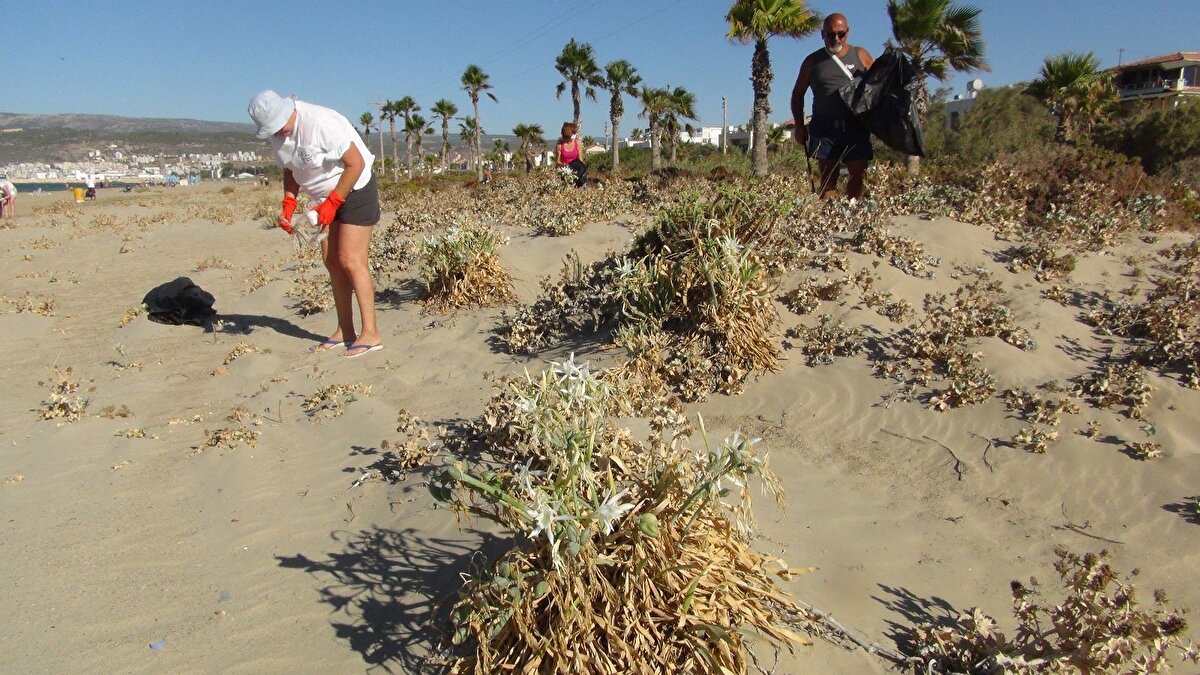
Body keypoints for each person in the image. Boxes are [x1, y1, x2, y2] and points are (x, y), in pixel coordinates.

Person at [248, 89, 383, 358]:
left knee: (350, 259)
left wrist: (333, 203)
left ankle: (371, 333)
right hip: (323, 197)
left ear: (289, 111)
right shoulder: (279, 135)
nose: (279, 134)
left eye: (280, 127)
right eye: (272, 131)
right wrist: (289, 202)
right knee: (332, 261)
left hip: (355, 188)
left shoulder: (320, 123)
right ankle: (346, 331)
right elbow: (291, 170)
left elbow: (354, 164)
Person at [790, 12, 874, 200]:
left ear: (847, 32)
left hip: (856, 125)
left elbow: (879, 87)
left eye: (840, 34)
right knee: (828, 177)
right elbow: (797, 95)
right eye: (830, 34)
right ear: (822, 34)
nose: (836, 38)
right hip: (824, 126)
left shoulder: (861, 55)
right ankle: (829, 219)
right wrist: (799, 126)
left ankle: (852, 214)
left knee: (858, 173)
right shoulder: (812, 62)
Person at [555, 122, 587, 188]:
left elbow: (580, 159)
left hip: (577, 172)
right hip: (565, 172)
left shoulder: (578, 143)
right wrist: (564, 166)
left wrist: (583, 171)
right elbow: (557, 161)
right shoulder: (559, 146)